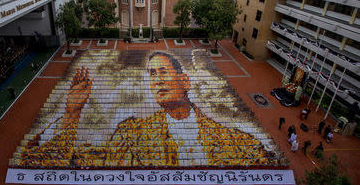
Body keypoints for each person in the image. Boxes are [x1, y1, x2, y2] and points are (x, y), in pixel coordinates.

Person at [20, 52, 276, 167]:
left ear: (184, 81)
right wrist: (72, 114)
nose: (157, 80)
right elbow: (51, 162)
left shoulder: (239, 143)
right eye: (152, 75)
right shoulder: (130, 135)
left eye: (163, 72)